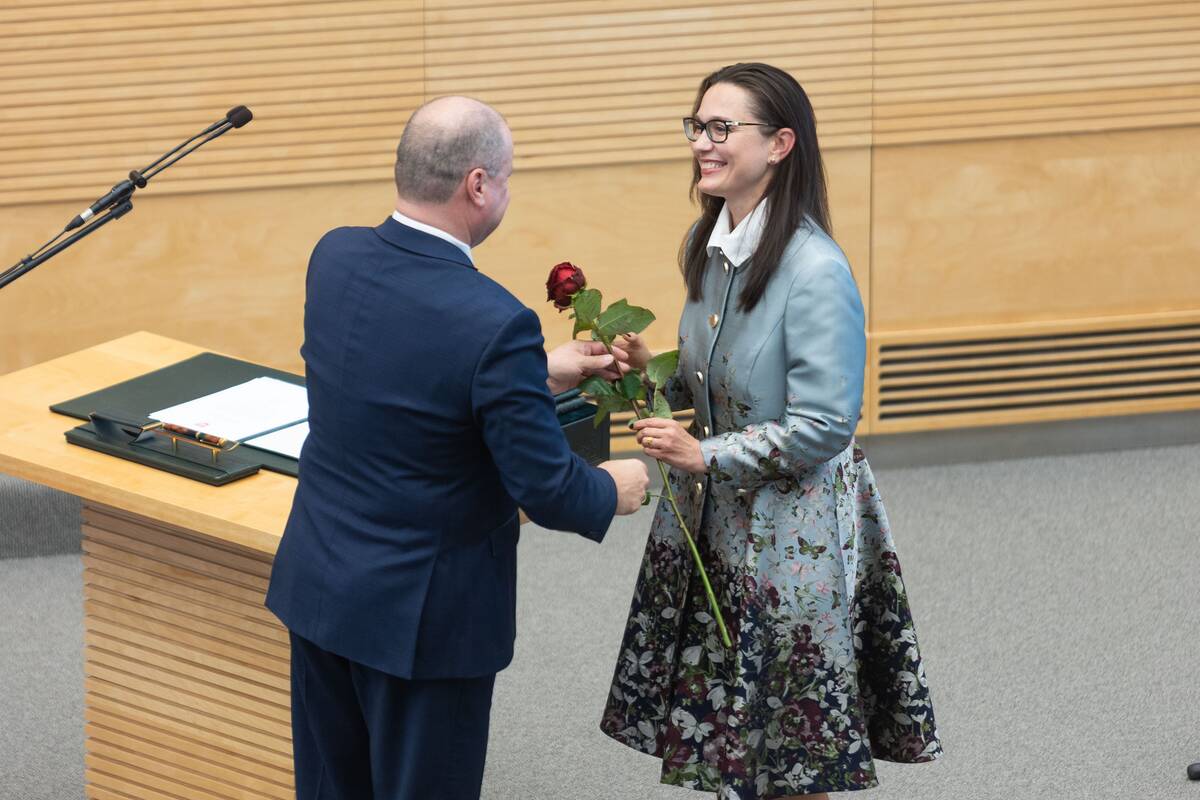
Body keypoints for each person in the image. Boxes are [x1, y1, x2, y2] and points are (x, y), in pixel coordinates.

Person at [265, 95, 650, 800]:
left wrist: (539, 371)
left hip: (322, 589)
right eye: (506, 178)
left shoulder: (336, 255)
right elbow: (547, 488)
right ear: (478, 185)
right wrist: (617, 487)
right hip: (423, 624)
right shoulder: (494, 320)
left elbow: (400, 378)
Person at [601, 63, 942, 799]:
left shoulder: (816, 269)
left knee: (791, 749)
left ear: (781, 143)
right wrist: (647, 376)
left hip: (794, 536)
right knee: (734, 734)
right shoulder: (709, 239)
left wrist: (704, 453)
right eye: (698, 126)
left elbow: (824, 426)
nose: (704, 142)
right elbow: (717, 390)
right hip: (720, 517)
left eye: (723, 128)